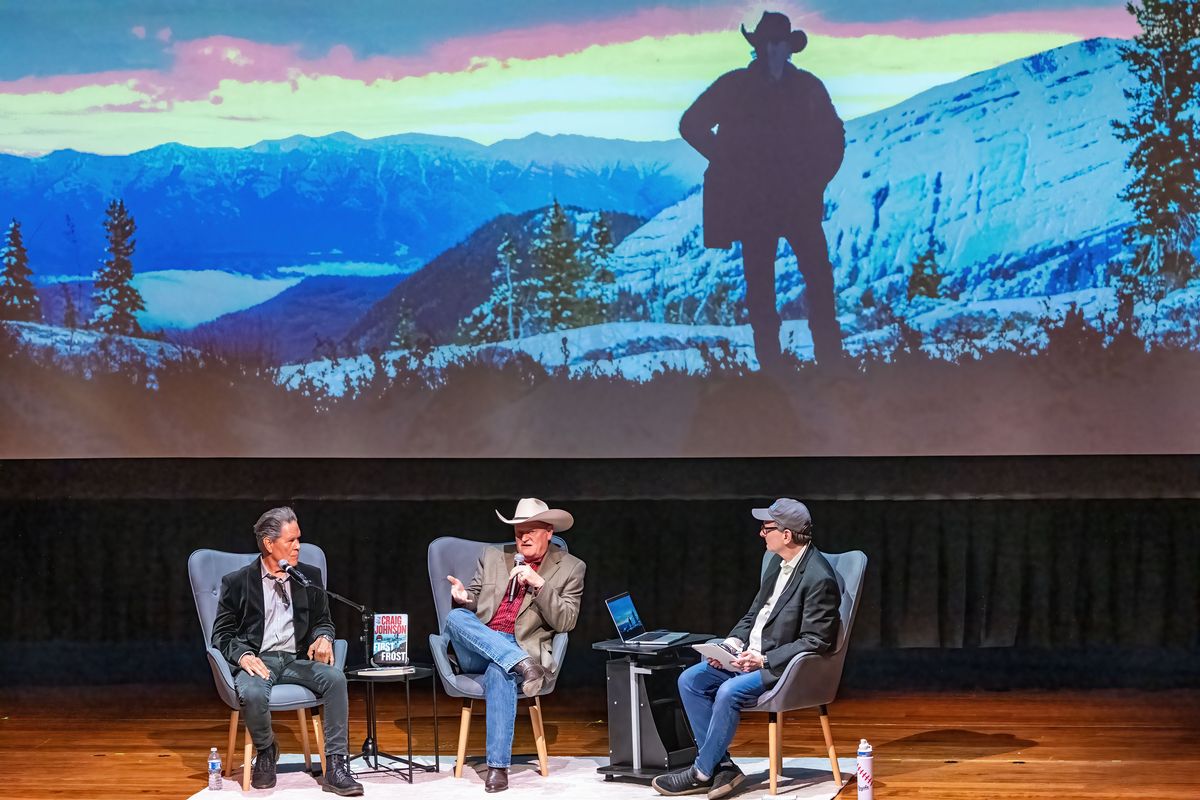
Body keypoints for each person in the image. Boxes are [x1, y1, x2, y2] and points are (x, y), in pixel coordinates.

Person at [680, 11, 846, 368]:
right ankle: (783, 371)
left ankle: (824, 367)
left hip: (790, 201)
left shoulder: (798, 88)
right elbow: (690, 125)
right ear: (759, 47)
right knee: (767, 287)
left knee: (815, 278)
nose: (773, 51)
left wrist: (815, 180)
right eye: (768, 44)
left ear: (788, 48)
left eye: (778, 44)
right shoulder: (743, 87)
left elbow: (835, 139)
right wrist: (728, 161)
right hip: (760, 204)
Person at [652, 499, 840, 798]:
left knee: (728, 692)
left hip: (781, 668)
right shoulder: (777, 565)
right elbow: (753, 615)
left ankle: (701, 771)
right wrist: (730, 646)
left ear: (787, 535)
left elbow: (816, 641)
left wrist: (763, 659)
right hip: (747, 658)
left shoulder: (819, 578)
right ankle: (722, 767)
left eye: (766, 528)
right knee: (691, 680)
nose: (761, 534)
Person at [211, 507, 363, 796]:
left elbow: (323, 621)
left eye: (299, 539)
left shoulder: (308, 576)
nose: (298, 546)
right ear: (269, 544)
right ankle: (267, 749)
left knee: (336, 679)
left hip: (297, 659)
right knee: (254, 693)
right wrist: (243, 655)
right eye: (291, 540)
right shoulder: (238, 582)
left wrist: (323, 637)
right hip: (260, 659)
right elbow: (221, 634)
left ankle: (335, 766)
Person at [443, 498, 586, 793]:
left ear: (549, 532)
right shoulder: (494, 556)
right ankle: (522, 664)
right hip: (481, 644)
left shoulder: (571, 567)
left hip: (522, 645)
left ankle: (497, 767)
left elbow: (567, 621)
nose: (523, 537)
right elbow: (475, 595)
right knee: (455, 617)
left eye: (531, 530)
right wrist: (463, 598)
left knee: (500, 671)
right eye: (519, 530)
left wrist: (540, 584)